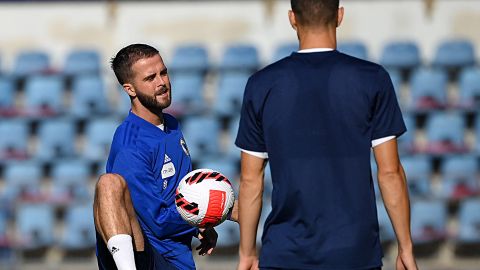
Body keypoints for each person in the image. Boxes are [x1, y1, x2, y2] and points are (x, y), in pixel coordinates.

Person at [235, 1, 418, 270]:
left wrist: (247, 253)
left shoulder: (261, 84)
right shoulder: (373, 78)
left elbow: (251, 180)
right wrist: (406, 246)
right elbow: (390, 173)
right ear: (340, 16)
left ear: (292, 19)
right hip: (354, 252)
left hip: (285, 252)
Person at [93, 43, 218, 270]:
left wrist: (201, 224)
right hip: (145, 256)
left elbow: (182, 194)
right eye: (150, 78)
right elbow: (158, 222)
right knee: (108, 184)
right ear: (130, 89)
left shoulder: (171, 124)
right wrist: (205, 215)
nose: (162, 83)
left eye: (164, 72)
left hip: (177, 261)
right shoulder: (130, 143)